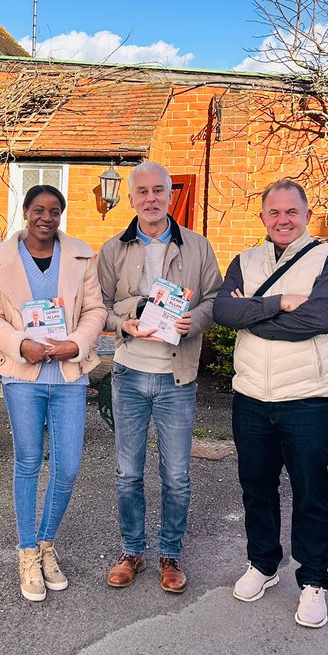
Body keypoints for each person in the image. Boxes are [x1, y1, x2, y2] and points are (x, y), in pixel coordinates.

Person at [213, 178, 328, 629]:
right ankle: (264, 564)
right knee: (256, 486)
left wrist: (253, 316)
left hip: (305, 399)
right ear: (263, 219)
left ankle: (314, 581)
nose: (283, 220)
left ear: (307, 214)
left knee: (312, 492)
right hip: (251, 396)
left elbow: (317, 319)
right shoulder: (245, 260)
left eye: (291, 211)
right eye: (274, 213)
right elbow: (224, 312)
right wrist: (277, 303)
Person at [97, 161, 222, 593]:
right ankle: (132, 551)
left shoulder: (198, 247)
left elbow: (214, 298)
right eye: (142, 191)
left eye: (159, 191)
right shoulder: (113, 249)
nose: (151, 198)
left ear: (170, 195)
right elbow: (100, 307)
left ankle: (170, 555)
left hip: (177, 376)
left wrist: (196, 321)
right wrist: (123, 321)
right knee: (128, 473)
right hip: (130, 374)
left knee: (176, 475)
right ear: (131, 198)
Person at [0, 185, 106, 602]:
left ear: (61, 215)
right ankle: (27, 550)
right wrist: (20, 345)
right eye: (38, 210)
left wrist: (77, 343)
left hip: (68, 375)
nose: (46, 218)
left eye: (54, 211)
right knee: (29, 463)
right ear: (26, 212)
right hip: (23, 376)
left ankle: (47, 542)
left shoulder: (81, 257)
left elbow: (95, 311)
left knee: (68, 467)